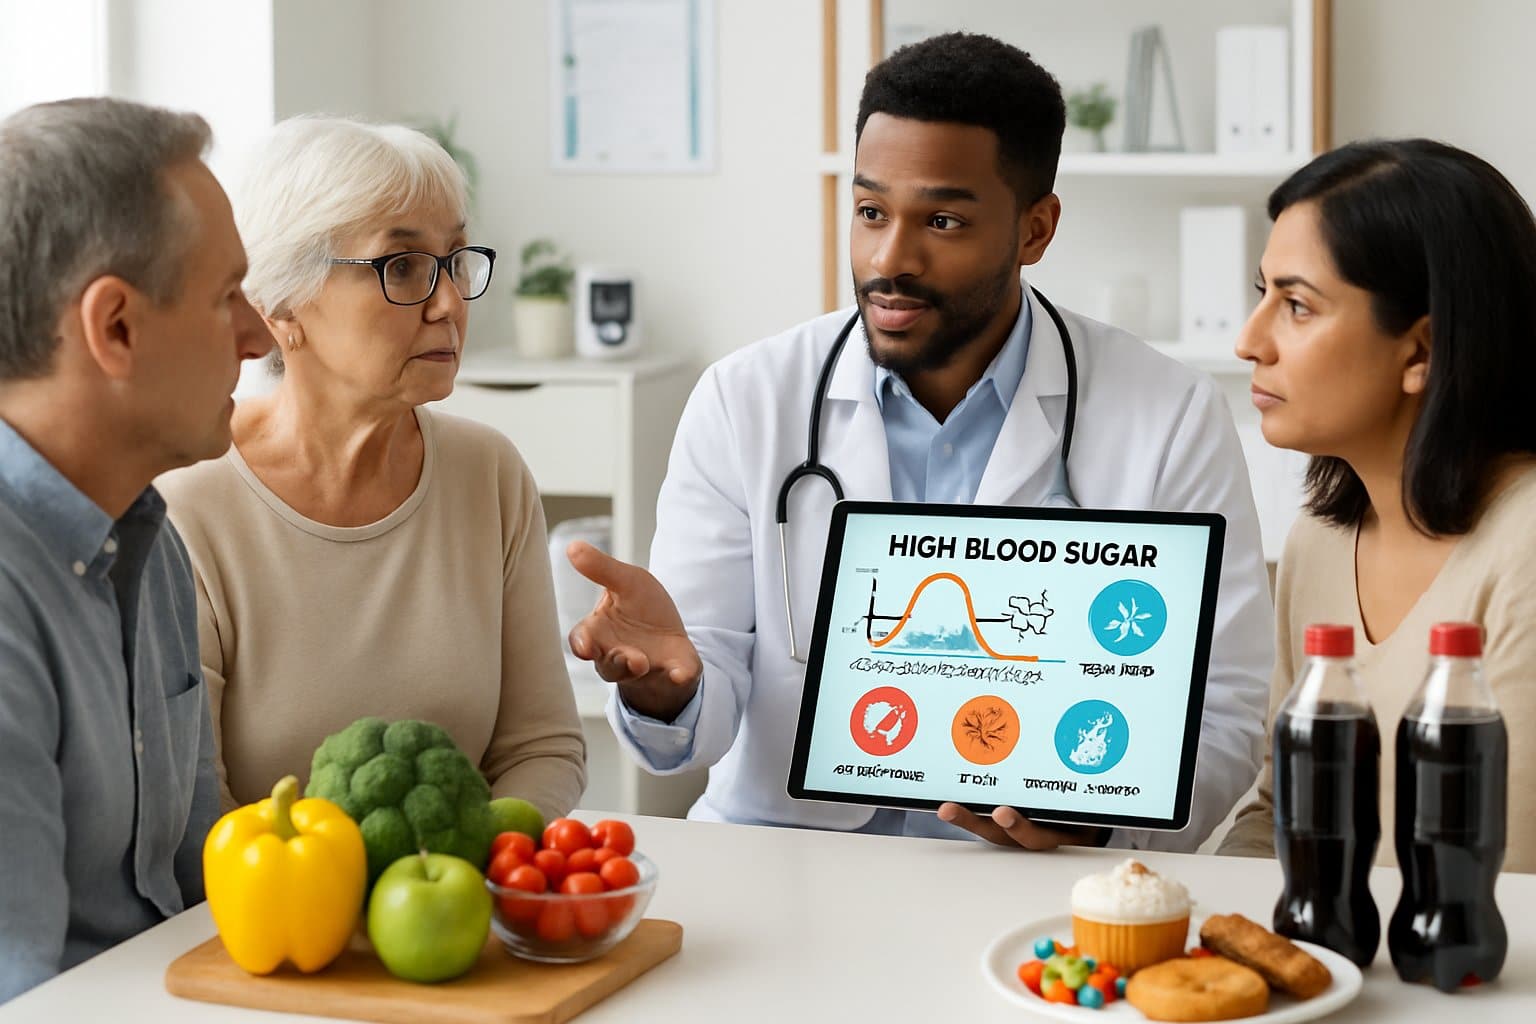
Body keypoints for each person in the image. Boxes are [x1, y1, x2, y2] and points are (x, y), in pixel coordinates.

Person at [566, 33, 1273, 851]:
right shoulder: (745, 398)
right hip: (788, 855)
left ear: (1035, 229)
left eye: (941, 219)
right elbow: (704, 687)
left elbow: (1224, 708)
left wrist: (1094, 824)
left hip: (1036, 878)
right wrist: (667, 689)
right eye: (870, 212)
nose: (889, 258)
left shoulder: (1169, 412)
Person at [156, 117, 586, 817]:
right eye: (404, 267)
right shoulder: (188, 504)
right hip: (268, 920)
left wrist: (480, 883)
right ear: (282, 305)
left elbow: (541, 748)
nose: (448, 302)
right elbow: (194, 810)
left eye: (455, 259)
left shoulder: (490, 474)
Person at [0, 97, 273, 1002]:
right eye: (227, 294)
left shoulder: (146, 539)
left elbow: (198, 881)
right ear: (114, 327)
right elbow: (23, 996)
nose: (258, 336)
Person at [1220, 139, 1536, 872]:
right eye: (1260, 293)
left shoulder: (1524, 546)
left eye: (1296, 305)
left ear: (1421, 350)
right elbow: (1276, 815)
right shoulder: (1320, 541)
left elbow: (1510, 887)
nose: (1249, 341)